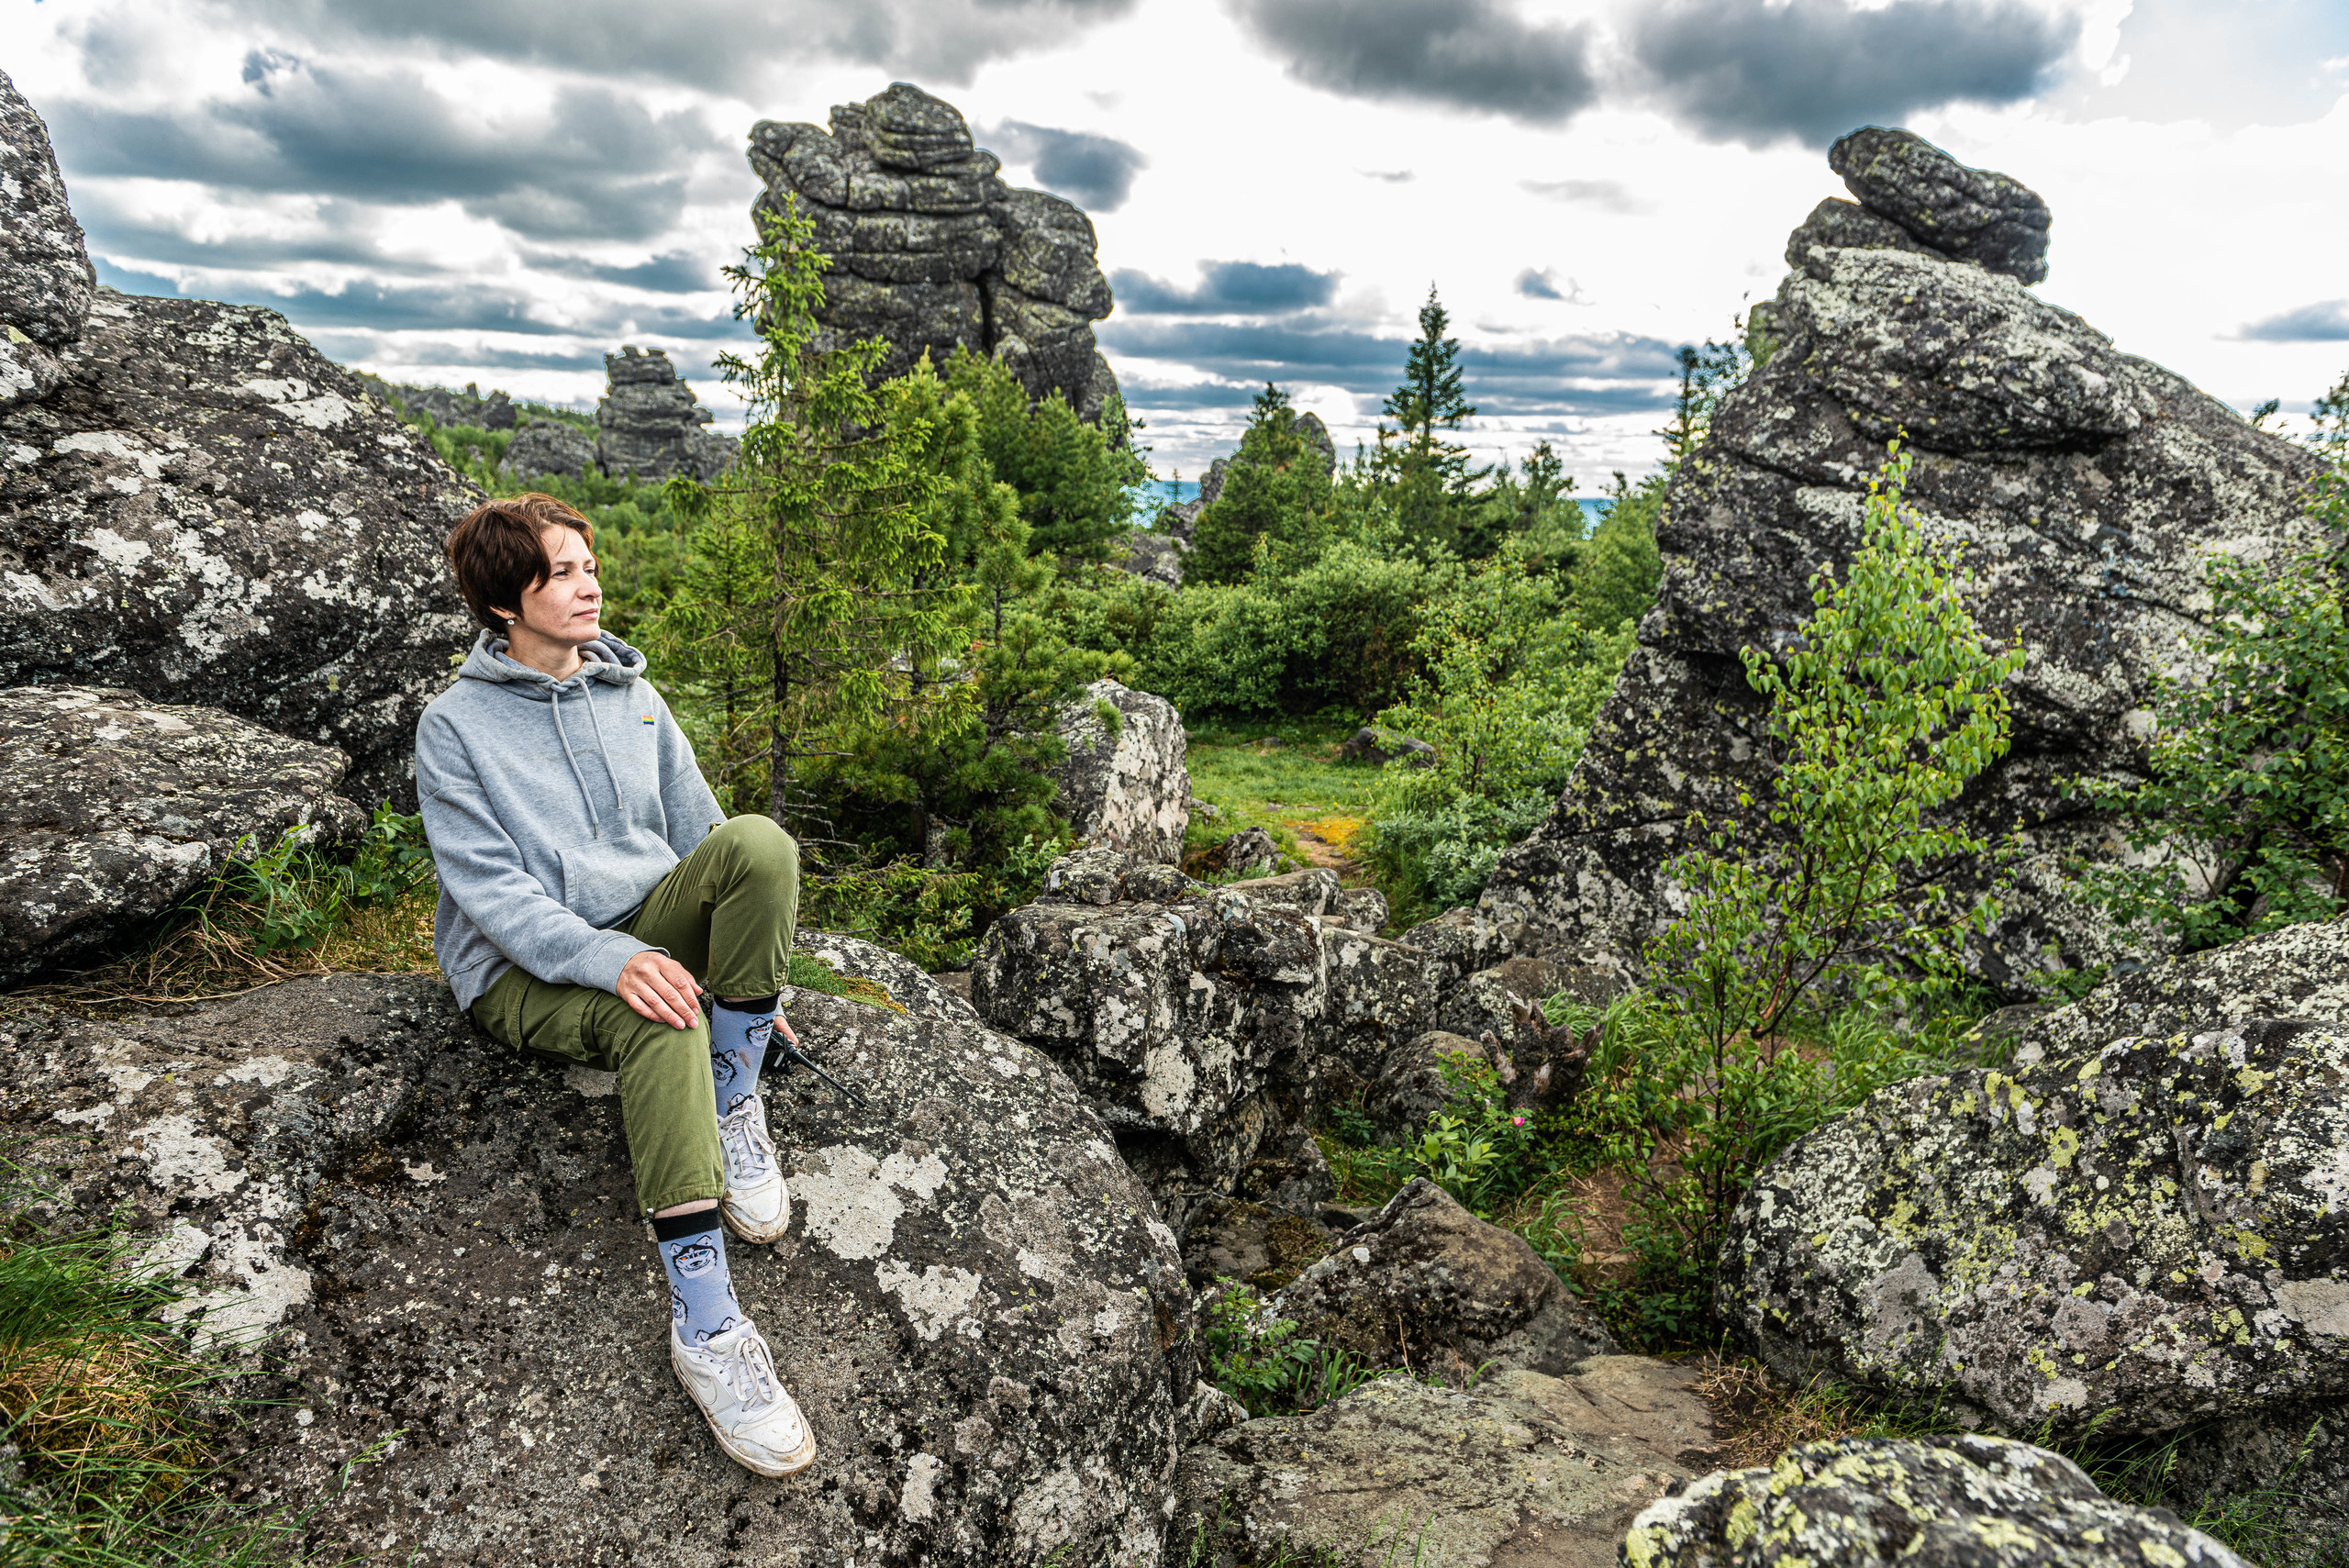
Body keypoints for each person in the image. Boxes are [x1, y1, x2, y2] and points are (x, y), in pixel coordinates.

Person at [415, 492, 816, 1478]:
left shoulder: (632, 692)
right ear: (504, 598)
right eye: (560, 571)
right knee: (661, 1016)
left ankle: (734, 1093)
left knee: (760, 843)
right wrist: (619, 961)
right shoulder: (454, 726)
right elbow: (493, 894)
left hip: (641, 923)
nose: (589, 584)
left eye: (589, 564)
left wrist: (754, 994)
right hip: (519, 971)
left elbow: (704, 835)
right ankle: (708, 1327)